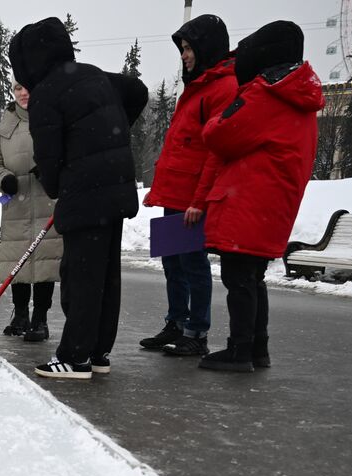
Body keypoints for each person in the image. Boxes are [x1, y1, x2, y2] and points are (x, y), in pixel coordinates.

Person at [9, 18, 147, 380]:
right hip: (115, 185)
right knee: (104, 275)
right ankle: (98, 352)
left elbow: (50, 159)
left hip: (85, 191)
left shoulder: (46, 94)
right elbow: (137, 90)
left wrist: (58, 181)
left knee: (80, 276)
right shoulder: (93, 74)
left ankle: (75, 356)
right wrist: (107, 136)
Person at [199, 21, 323, 372]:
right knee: (253, 278)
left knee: (238, 279)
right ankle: (257, 349)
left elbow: (220, 135)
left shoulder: (265, 94)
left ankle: (239, 350)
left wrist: (219, 115)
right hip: (273, 201)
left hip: (249, 200)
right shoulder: (298, 96)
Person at [139, 14, 236, 358]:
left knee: (193, 265)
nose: (184, 55)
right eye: (182, 48)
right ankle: (176, 324)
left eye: (189, 48)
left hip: (192, 198)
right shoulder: (195, 89)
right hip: (174, 193)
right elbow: (180, 145)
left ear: (207, 48)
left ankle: (197, 332)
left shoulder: (223, 88)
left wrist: (200, 200)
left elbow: (214, 152)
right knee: (172, 263)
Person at [0, 81, 62, 342]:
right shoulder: (5, 127)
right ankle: (19, 314)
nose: (22, 93)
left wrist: (51, 167)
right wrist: (3, 178)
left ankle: (40, 318)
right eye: (18, 87)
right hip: (16, 202)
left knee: (44, 261)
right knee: (17, 258)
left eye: (27, 87)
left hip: (45, 200)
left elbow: (68, 153)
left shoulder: (53, 118)